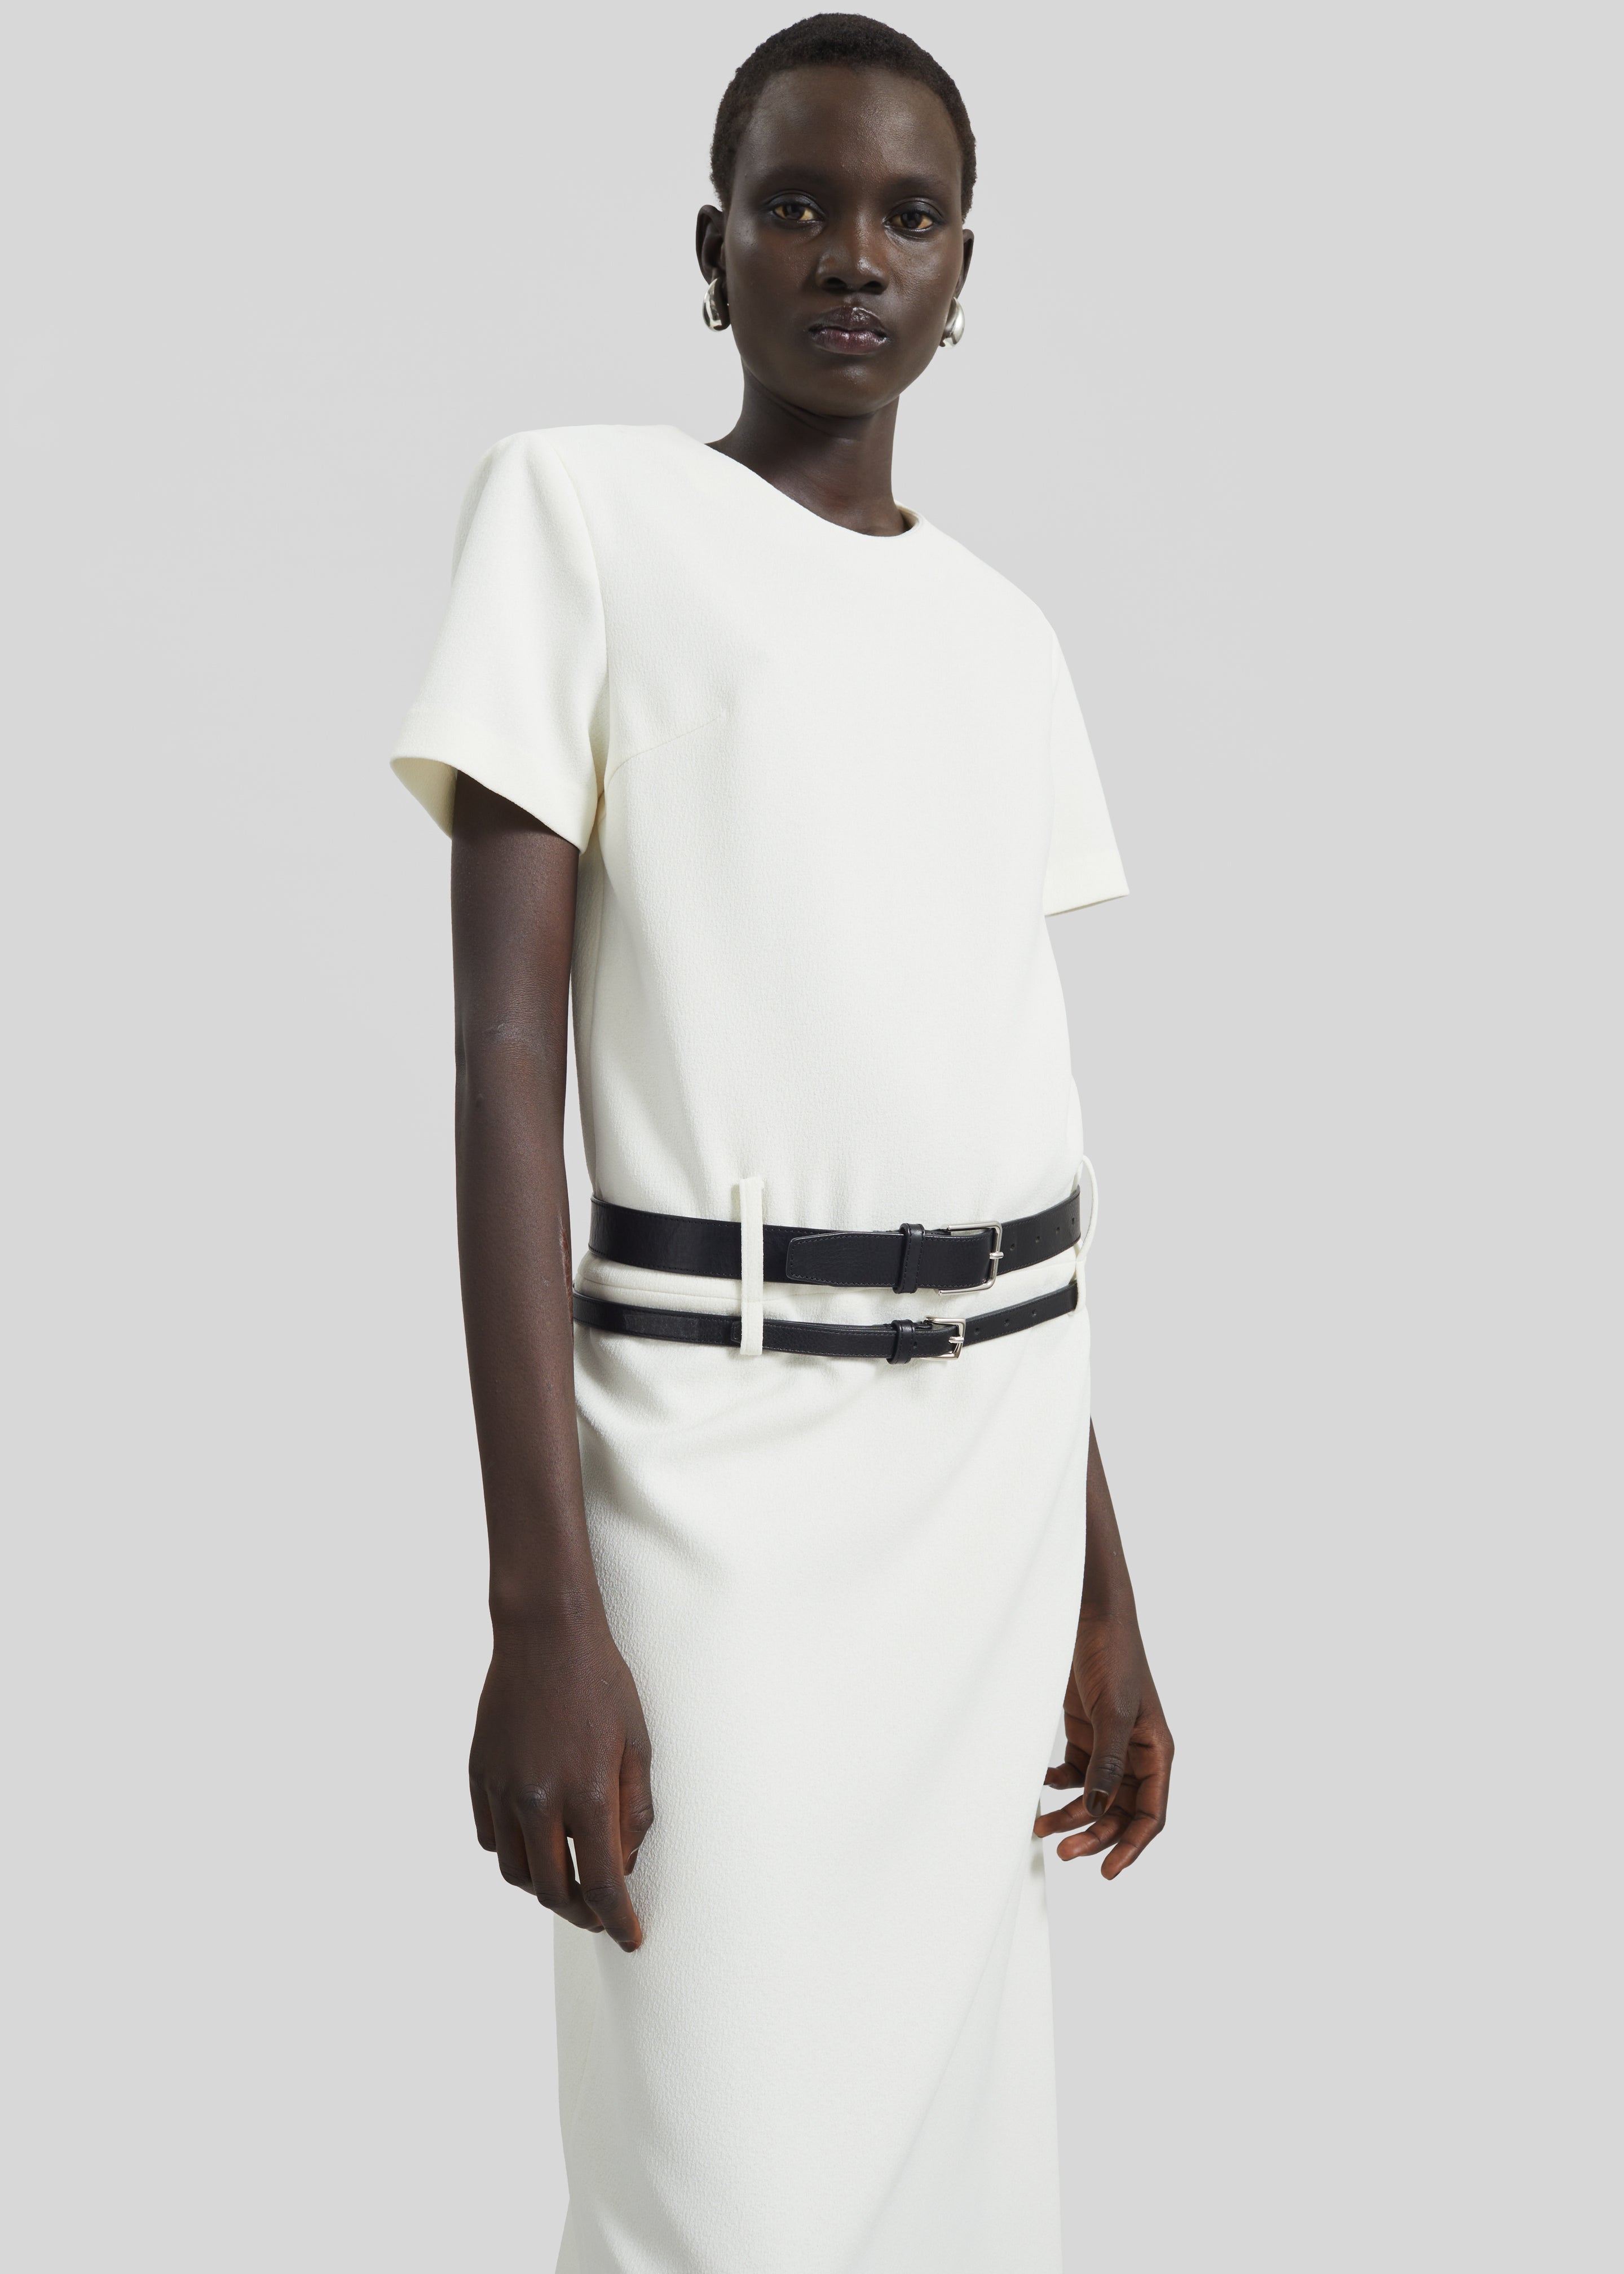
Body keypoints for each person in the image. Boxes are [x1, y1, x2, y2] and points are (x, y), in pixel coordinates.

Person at [391, 15, 1173, 2269]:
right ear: (710, 247)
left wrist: (1104, 1594)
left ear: (963, 272)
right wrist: (542, 1610)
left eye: (910, 216)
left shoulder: (1006, 642)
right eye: (799, 205)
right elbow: (501, 1065)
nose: (853, 254)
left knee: (951, 2201)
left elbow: (988, 1117)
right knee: (713, 2198)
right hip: (709, 1471)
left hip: (987, 1496)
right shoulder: (580, 520)